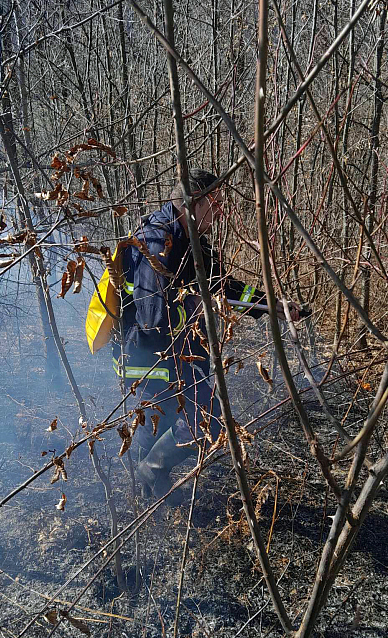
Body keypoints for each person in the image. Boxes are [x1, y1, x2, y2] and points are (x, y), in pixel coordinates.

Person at [113, 168, 299, 503]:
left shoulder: (192, 243)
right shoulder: (158, 242)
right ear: (192, 204)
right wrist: (197, 304)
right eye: (215, 203)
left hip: (176, 353)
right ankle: (147, 483)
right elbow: (154, 317)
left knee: (177, 423)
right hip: (147, 356)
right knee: (192, 423)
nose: (222, 211)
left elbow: (224, 286)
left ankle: (150, 487)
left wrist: (271, 305)